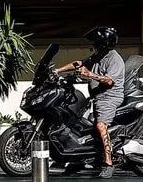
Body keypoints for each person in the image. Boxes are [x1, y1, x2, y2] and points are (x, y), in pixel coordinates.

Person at [53, 26, 124, 178]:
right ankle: (79, 159)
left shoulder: (114, 59)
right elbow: (79, 63)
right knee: (77, 124)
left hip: (109, 97)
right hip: (97, 97)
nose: (94, 45)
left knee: (100, 125)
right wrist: (58, 71)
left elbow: (109, 81)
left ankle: (108, 163)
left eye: (96, 42)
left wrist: (89, 74)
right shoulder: (98, 56)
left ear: (104, 44)